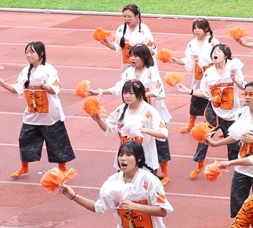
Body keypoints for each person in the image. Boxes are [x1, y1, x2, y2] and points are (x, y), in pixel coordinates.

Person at [92, 45, 173, 184]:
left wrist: (140, 96)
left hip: (148, 119)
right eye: (131, 56)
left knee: (160, 147)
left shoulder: (151, 73)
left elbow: (159, 92)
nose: (132, 59)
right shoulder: (121, 107)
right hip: (127, 158)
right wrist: (99, 114)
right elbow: (118, 89)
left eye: (136, 56)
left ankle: (165, 173)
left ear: (144, 57)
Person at [1, 41, 74, 179]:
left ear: (41, 53)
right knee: (24, 139)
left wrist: (42, 84)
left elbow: (53, 90)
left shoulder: (49, 70)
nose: (28, 55)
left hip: (50, 114)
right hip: (32, 113)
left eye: (32, 52)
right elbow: (17, 89)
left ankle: (62, 168)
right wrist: (3, 83)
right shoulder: (25, 71)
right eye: (26, 52)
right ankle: (24, 167)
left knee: (56, 141)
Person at [207, 81, 253, 217]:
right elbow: (235, 136)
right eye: (245, 94)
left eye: (251, 94)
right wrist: (216, 144)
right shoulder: (240, 113)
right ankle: (242, 225)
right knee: (238, 203)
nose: (247, 97)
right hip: (242, 165)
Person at [176, 43, 245, 178]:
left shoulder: (234, 68)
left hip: (231, 113)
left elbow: (244, 86)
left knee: (234, 143)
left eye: (218, 51)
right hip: (214, 112)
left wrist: (235, 80)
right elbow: (205, 93)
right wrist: (189, 91)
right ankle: (199, 165)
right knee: (204, 139)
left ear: (226, 55)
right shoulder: (208, 73)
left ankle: (237, 167)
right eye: (214, 51)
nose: (215, 53)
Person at [90, 80, 168, 173]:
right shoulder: (120, 110)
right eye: (125, 93)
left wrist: (144, 130)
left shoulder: (150, 112)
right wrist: (99, 120)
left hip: (146, 160)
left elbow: (163, 134)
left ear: (140, 94)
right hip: (125, 162)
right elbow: (108, 128)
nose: (127, 96)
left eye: (131, 93)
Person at [166, 18, 217, 134]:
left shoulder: (213, 42)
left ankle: (217, 125)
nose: (196, 31)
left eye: (199, 28)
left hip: (212, 78)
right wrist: (177, 60)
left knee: (214, 103)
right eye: (194, 28)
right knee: (195, 100)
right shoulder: (191, 44)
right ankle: (191, 124)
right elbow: (188, 61)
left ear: (206, 29)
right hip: (198, 78)